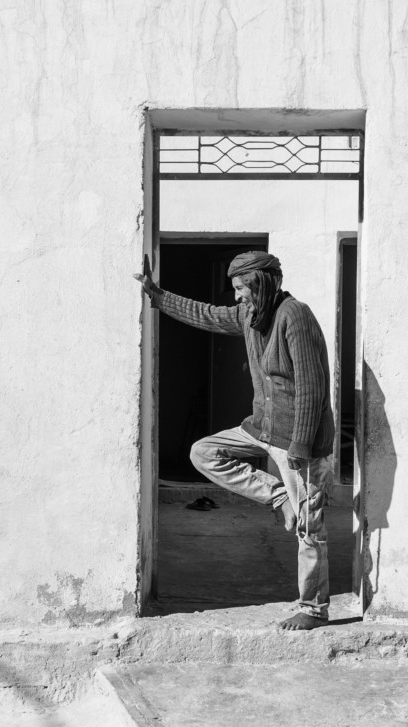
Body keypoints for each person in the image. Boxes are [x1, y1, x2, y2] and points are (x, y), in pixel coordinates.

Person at [134, 251, 336, 630]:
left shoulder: (295, 315)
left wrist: (301, 446)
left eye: (243, 287)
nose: (238, 296)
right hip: (261, 428)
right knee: (204, 452)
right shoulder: (249, 315)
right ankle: (278, 497)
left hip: (299, 438)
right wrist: (158, 296)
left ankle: (313, 609)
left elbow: (312, 386)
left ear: (263, 283)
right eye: (235, 289)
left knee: (310, 529)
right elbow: (207, 314)